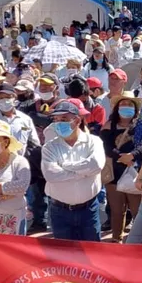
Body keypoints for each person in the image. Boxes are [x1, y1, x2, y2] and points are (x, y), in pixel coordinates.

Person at [41, 99, 106, 241]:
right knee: (64, 258)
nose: (59, 123)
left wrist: (66, 166)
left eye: (64, 119)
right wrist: (83, 172)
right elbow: (51, 175)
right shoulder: (49, 147)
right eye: (56, 119)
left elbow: (96, 165)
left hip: (88, 210)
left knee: (92, 253)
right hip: (59, 211)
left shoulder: (94, 141)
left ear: (77, 121)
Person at [102, 93, 142, 242]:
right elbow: (106, 146)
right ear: (117, 107)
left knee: (138, 211)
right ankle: (115, 239)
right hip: (114, 175)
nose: (126, 107)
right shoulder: (109, 125)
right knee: (117, 211)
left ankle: (138, 241)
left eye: (130, 104)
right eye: (123, 104)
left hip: (136, 174)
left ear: (136, 108)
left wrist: (132, 155)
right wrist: (121, 157)